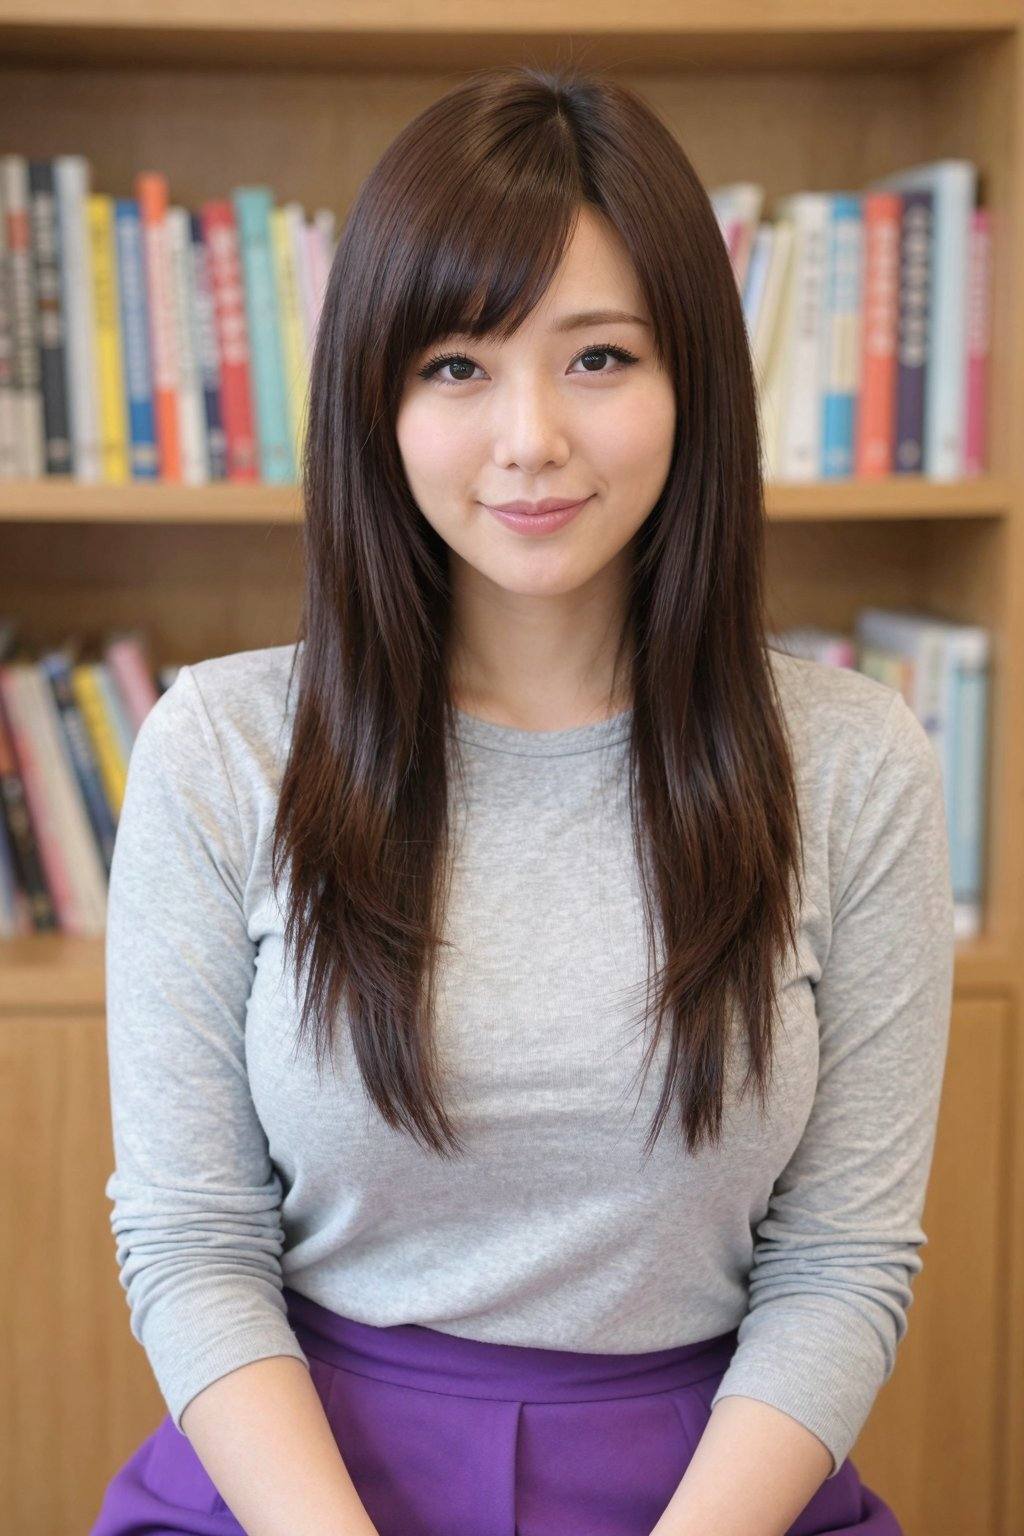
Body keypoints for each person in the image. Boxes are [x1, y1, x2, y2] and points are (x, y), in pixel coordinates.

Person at [91, 62, 954, 1536]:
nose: (531, 438)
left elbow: (840, 1259)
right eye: (457, 366)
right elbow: (191, 1239)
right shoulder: (220, 745)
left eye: (599, 358)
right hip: (297, 1480)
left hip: (713, 1489)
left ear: (693, 378)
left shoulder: (859, 761)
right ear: (379, 397)